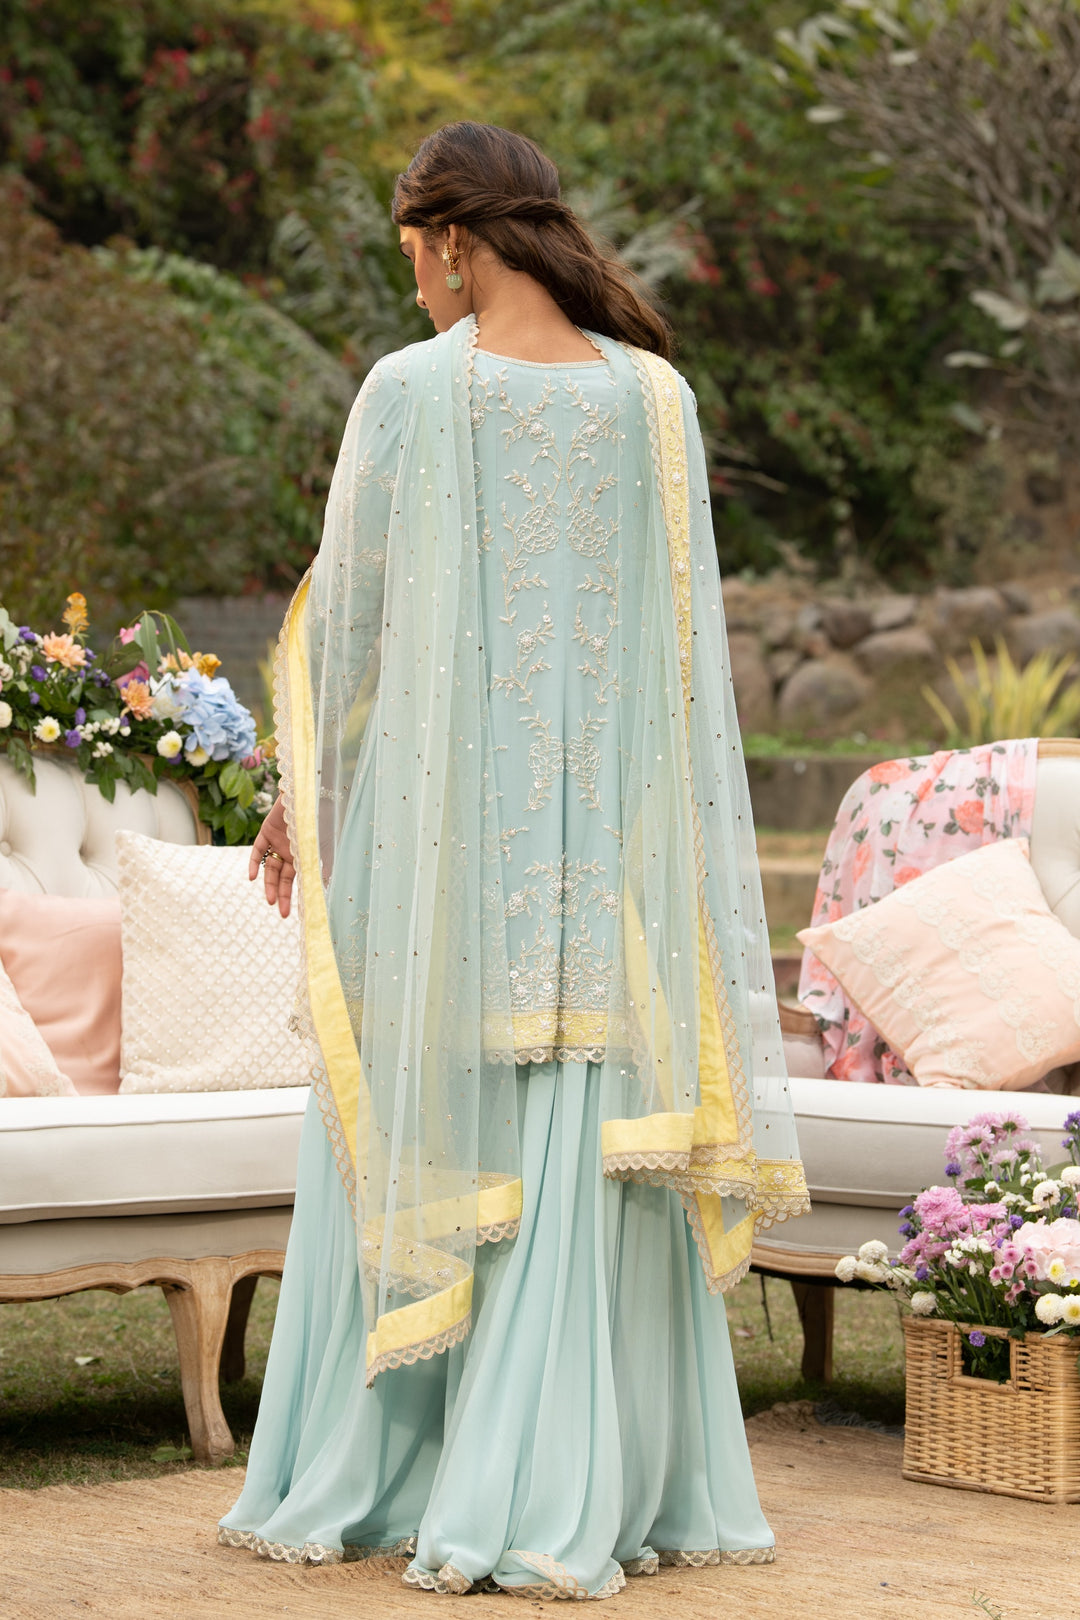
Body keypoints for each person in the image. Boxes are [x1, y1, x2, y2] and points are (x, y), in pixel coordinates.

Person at [219, 120, 808, 1600]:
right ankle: (593, 1484)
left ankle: (404, 1469)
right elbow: (685, 670)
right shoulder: (657, 401)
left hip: (438, 859)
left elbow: (345, 622)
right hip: (604, 870)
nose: (411, 278)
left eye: (412, 249)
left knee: (417, 1134)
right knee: (589, 1147)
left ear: (454, 238)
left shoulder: (412, 392)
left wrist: (298, 798)